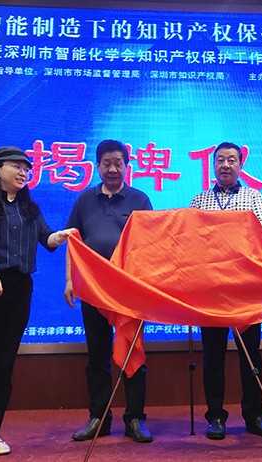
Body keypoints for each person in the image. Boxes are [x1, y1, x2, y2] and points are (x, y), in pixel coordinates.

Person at [0, 146, 75, 459]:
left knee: (4, 364)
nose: (24, 172)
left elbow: (47, 239)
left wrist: (61, 236)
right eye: (17, 166)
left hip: (18, 289)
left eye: (27, 168)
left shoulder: (29, 208)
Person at [64, 139, 154, 443]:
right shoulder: (84, 200)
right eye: (107, 163)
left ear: (127, 166)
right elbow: (73, 241)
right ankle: (98, 418)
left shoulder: (140, 199)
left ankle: (135, 419)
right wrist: (69, 280)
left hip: (129, 290)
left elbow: (149, 245)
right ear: (98, 166)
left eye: (118, 163)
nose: (113, 168)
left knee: (132, 351)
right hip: (93, 288)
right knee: (97, 354)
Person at [189, 142, 262, 440]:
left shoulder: (254, 196)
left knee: (250, 355)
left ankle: (254, 414)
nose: (225, 165)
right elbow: (191, 239)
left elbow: (261, 234)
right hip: (210, 290)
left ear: (240, 165)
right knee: (212, 356)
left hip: (246, 288)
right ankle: (215, 416)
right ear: (213, 165)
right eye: (220, 160)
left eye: (231, 160)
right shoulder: (199, 199)